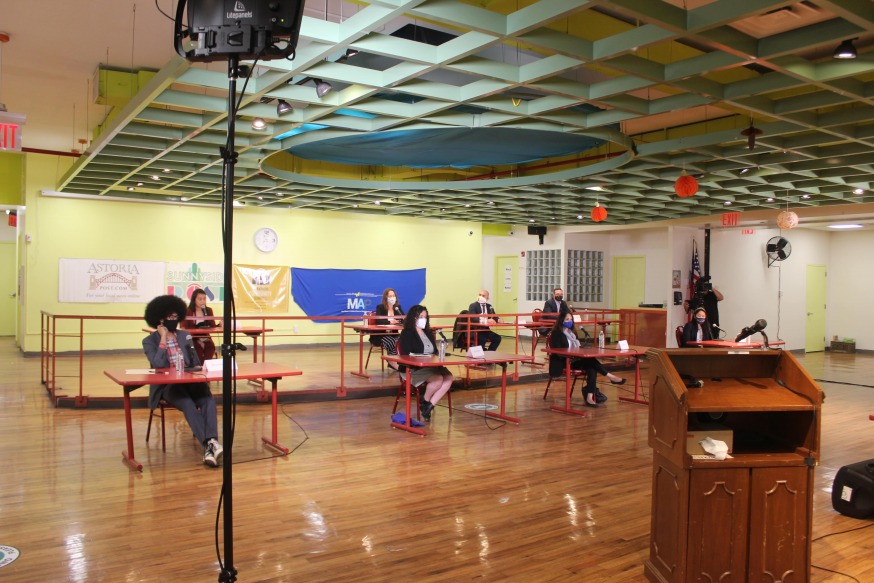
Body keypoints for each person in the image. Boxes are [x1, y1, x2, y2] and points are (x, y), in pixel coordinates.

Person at [143, 294, 223, 467]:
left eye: (175, 316)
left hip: (189, 380)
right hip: (168, 385)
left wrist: (198, 368)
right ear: (160, 319)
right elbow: (158, 364)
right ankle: (210, 444)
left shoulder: (185, 335)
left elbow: (195, 362)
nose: (174, 320)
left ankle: (210, 444)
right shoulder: (149, 341)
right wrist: (163, 339)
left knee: (208, 399)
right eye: (170, 317)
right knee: (187, 403)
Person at [548, 309, 625, 407]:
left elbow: (577, 347)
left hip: (574, 359)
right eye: (567, 319)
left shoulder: (572, 333)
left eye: (571, 319)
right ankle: (611, 377)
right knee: (591, 362)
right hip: (563, 361)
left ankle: (589, 397)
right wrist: (572, 353)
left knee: (592, 368)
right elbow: (557, 351)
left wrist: (580, 351)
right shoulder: (556, 333)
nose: (569, 322)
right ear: (561, 320)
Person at [397, 305, 454, 422]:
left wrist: (438, 355)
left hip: (430, 366)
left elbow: (434, 351)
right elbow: (406, 354)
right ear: (413, 318)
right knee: (438, 379)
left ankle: (428, 405)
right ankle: (425, 403)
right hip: (413, 369)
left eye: (425, 317)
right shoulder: (407, 333)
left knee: (449, 377)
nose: (424, 319)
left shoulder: (428, 333)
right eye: (421, 316)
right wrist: (422, 357)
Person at [182, 289, 218, 363]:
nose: (203, 301)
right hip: (192, 337)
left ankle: (205, 366)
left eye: (204, 299)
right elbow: (184, 327)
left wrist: (219, 325)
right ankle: (200, 367)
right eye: (200, 299)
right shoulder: (187, 311)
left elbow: (212, 325)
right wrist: (198, 339)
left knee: (210, 347)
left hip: (205, 337)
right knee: (197, 349)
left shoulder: (209, 310)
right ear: (194, 300)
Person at [370, 288, 404, 359]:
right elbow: (378, 321)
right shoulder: (380, 307)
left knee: (403, 341)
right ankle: (393, 360)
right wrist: (390, 322)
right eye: (390, 296)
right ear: (386, 297)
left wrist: (399, 321)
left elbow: (403, 319)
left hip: (394, 334)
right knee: (392, 342)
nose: (392, 298)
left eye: (394, 296)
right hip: (381, 335)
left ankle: (394, 361)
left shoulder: (397, 308)